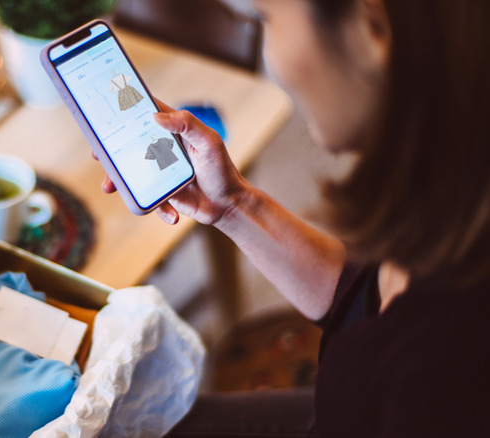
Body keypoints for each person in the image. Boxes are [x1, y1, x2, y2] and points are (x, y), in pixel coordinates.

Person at [99, 0, 490, 436]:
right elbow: (360, 297)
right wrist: (234, 204)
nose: (272, 59)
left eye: (267, 19)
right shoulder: (445, 198)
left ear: (371, 28)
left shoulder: (444, 372)